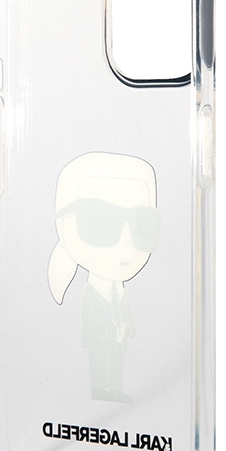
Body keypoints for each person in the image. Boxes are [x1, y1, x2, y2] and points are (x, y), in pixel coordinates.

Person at [48, 152, 160, 403]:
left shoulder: (119, 290)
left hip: (117, 338)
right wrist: (110, 327)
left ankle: (114, 387)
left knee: (116, 361)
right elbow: (90, 317)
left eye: (142, 224)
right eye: (100, 222)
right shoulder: (92, 292)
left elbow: (124, 310)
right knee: (101, 360)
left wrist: (127, 327)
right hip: (100, 338)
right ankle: (100, 387)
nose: (125, 240)